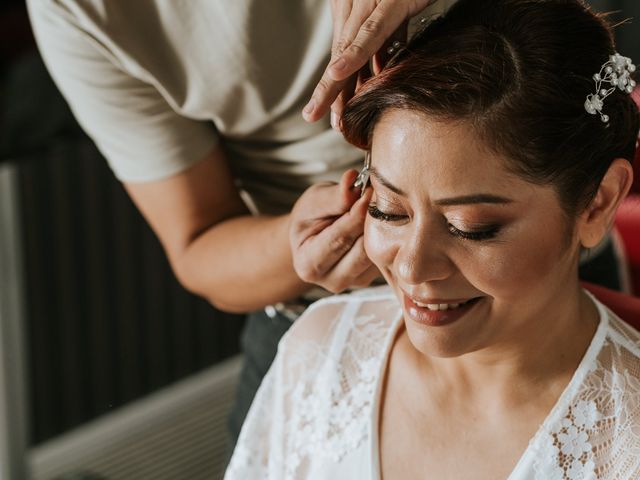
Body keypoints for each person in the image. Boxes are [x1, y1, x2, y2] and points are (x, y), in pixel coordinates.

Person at [225, 0, 640, 478]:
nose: (411, 269)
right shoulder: (322, 352)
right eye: (388, 210)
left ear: (598, 204)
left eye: (471, 228)